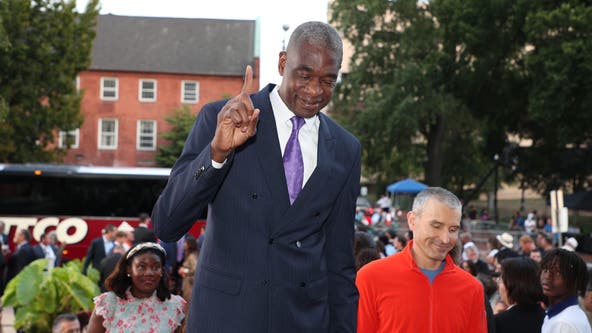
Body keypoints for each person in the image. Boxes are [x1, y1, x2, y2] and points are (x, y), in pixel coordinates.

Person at [151, 21, 360, 332]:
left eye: (328, 81)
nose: (315, 91)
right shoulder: (221, 119)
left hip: (302, 320)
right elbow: (167, 224)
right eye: (304, 76)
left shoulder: (345, 148)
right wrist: (216, 153)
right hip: (227, 317)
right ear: (282, 62)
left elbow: (339, 261)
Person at [356, 187, 486, 332]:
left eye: (453, 229)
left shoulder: (472, 289)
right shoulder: (371, 277)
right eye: (436, 226)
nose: (445, 239)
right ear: (412, 221)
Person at [87, 242, 186, 333]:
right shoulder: (108, 304)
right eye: (141, 267)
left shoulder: (175, 307)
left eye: (156, 267)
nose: (149, 273)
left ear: (162, 271)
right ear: (129, 270)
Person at [540, 248, 591, 333]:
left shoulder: (564, 323)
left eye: (558, 272)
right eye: (545, 270)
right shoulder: (558, 314)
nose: (547, 277)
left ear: (574, 280)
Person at [494, 257, 545, 333]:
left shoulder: (499, 322)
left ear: (512, 284)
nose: (498, 285)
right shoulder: (547, 317)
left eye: (501, 280)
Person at [178, 235, 198, 302]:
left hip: (189, 286)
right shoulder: (189, 254)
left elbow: (195, 268)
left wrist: (184, 271)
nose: (184, 244)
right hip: (187, 284)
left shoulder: (192, 256)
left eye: (185, 243)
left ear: (190, 244)